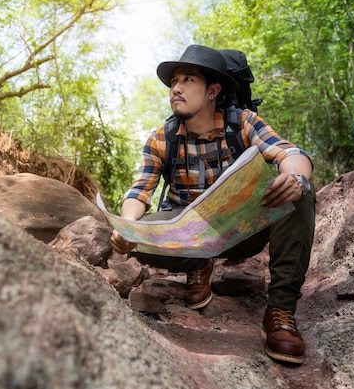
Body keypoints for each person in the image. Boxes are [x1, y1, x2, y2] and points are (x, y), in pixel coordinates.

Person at [110, 44, 316, 365]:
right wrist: (127, 228)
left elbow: (290, 153)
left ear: (212, 91)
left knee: (299, 190)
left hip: (242, 230)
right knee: (139, 236)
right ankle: (199, 266)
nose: (176, 88)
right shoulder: (161, 139)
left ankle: (280, 311)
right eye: (174, 81)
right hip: (189, 237)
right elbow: (140, 191)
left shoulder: (243, 122)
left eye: (188, 80)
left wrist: (295, 178)